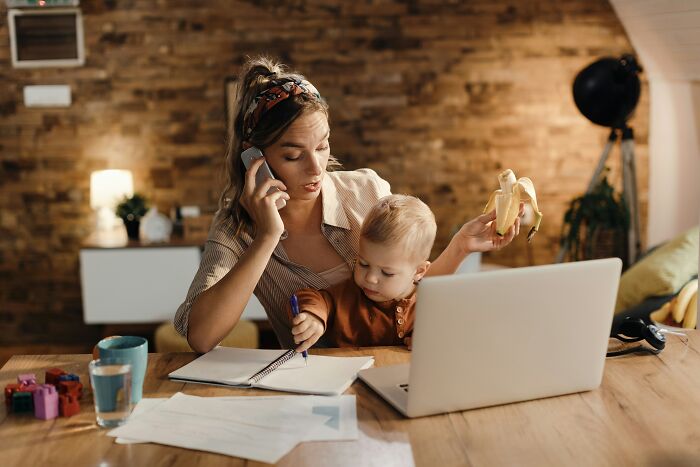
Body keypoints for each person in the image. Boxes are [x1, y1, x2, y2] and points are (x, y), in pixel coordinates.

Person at [174, 56, 522, 354]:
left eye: (323, 147)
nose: (316, 168)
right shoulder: (235, 226)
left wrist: (460, 245)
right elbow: (202, 338)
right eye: (293, 155)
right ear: (255, 157)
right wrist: (266, 236)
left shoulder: (367, 191)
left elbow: (412, 290)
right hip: (311, 389)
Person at [290, 194, 436, 350]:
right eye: (363, 264)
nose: (370, 278)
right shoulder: (348, 296)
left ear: (419, 271)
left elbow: (451, 335)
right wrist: (314, 316)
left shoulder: (431, 305)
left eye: (387, 273)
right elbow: (310, 297)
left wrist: (431, 339)